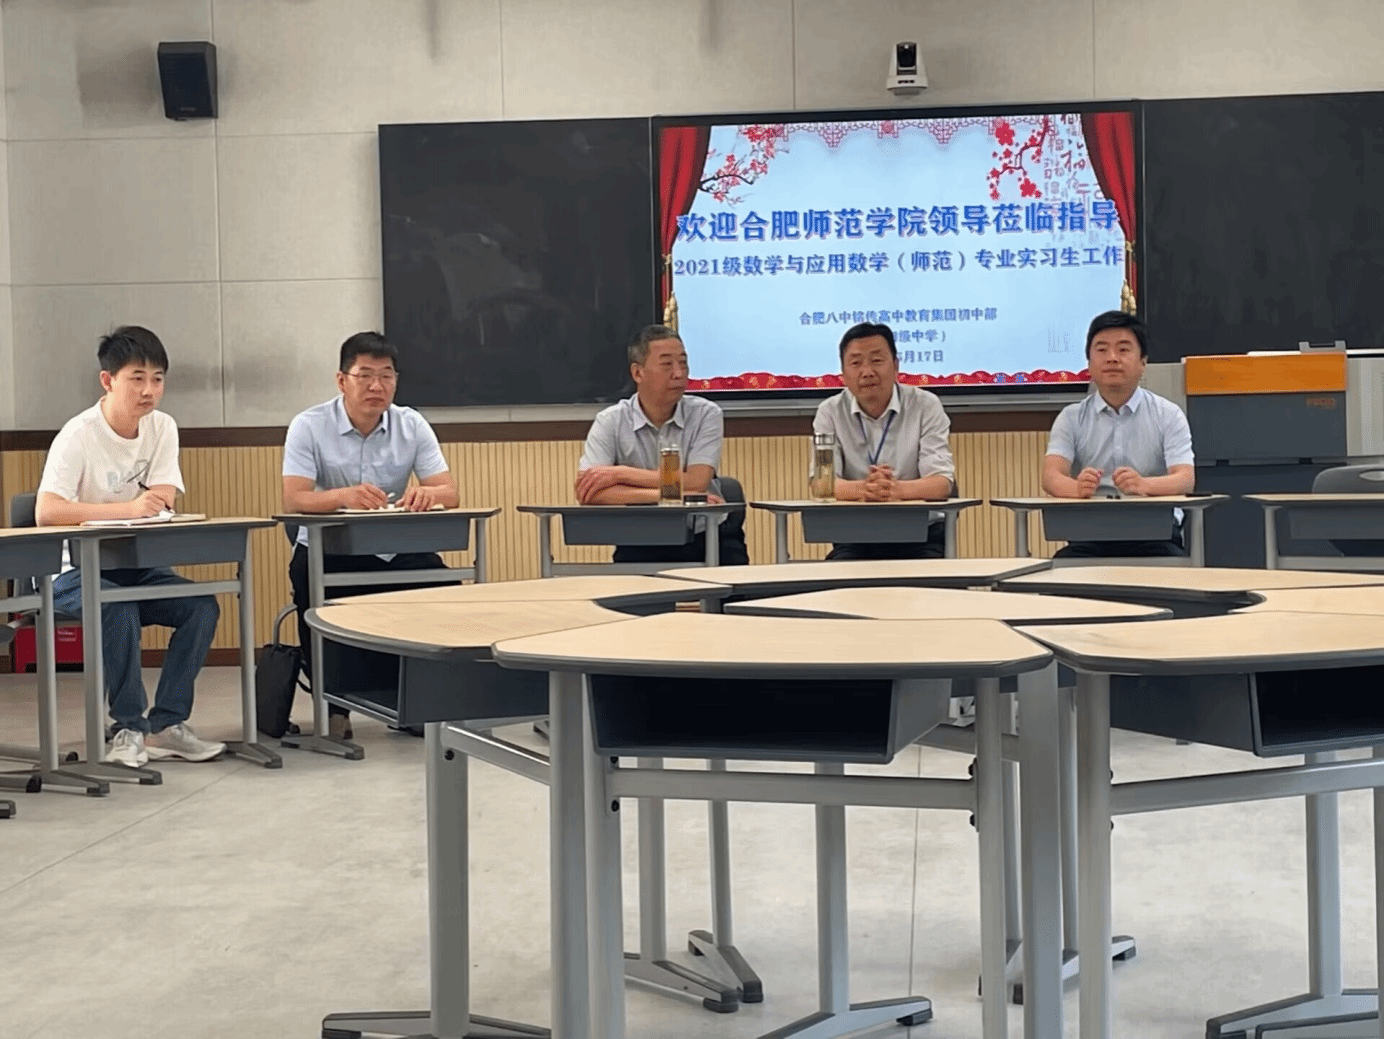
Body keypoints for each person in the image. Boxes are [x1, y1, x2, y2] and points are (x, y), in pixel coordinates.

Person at [37, 326, 224, 768]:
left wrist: (148, 506)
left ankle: (167, 724)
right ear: (108, 380)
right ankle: (127, 728)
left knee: (201, 607)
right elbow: (47, 511)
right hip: (71, 572)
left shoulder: (162, 427)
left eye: (157, 379)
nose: (149, 390)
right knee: (117, 608)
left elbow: (164, 498)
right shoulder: (78, 434)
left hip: (134, 564)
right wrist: (128, 508)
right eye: (136, 378)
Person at [282, 331, 460, 739]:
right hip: (330, 548)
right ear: (342, 380)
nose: (376, 386)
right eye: (364, 375)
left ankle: (420, 703)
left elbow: (450, 493)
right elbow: (294, 499)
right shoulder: (309, 425)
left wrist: (427, 494)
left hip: (395, 546)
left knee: (443, 587)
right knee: (315, 590)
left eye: (386, 375)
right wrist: (343, 496)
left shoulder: (411, 423)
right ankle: (335, 707)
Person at [575, 325, 748, 565]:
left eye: (683, 363)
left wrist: (620, 474)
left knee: (735, 584)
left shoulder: (706, 414)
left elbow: (697, 482)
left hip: (707, 533)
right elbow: (590, 492)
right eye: (667, 365)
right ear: (638, 373)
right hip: (640, 536)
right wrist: (668, 495)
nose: (679, 373)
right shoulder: (610, 421)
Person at [1041, 310, 1195, 557]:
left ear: (1143, 362)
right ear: (1089, 363)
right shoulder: (1070, 418)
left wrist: (1144, 485)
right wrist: (1076, 488)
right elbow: (1051, 476)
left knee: (1174, 566)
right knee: (1060, 568)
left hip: (1154, 532)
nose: (1112, 358)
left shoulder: (1168, 414)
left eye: (1123, 349)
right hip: (1089, 533)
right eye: (1102, 350)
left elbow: (1185, 478)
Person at [812, 322, 956, 559]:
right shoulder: (829, 412)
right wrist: (865, 489)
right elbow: (822, 484)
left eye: (877, 360)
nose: (867, 371)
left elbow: (941, 483)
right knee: (837, 579)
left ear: (896, 366)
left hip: (920, 535)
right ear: (843, 373)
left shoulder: (925, 405)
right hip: (854, 535)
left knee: (929, 579)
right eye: (856, 363)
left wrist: (897, 490)